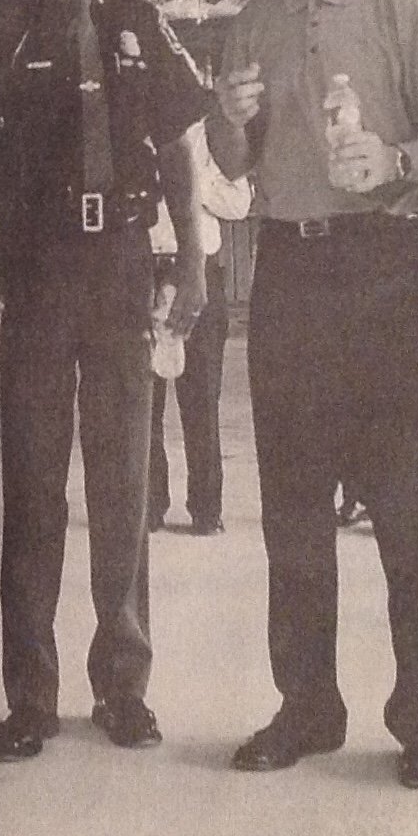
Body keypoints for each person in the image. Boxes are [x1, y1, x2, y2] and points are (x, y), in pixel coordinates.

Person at [213, 0, 418, 791]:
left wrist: (397, 161)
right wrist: (228, 117)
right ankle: (307, 707)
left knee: (409, 507)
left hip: (385, 272)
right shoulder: (251, 16)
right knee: (291, 510)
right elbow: (232, 164)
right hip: (287, 271)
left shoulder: (403, 7)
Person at [0, 0, 211, 763]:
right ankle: (29, 695)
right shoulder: (9, 20)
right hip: (37, 268)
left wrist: (193, 255)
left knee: (123, 482)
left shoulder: (144, 21)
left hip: (122, 269)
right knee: (32, 486)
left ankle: (123, 686)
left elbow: (180, 143)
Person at [147, 132, 248, 536]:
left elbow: (240, 203)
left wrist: (187, 183)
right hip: (145, 268)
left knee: (202, 396)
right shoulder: (136, 127)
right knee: (146, 399)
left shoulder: (210, 137)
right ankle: (150, 506)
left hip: (200, 271)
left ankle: (206, 509)